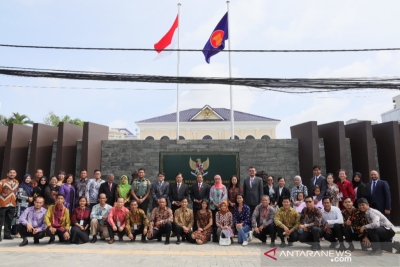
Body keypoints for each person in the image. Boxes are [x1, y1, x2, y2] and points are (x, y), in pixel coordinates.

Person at [0, 168, 19, 241]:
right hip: (3, 203)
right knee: (0, 220)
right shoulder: (2, 182)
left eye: (14, 173)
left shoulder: (16, 182)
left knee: (9, 220)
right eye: (10, 173)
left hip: (12, 204)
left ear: (16, 174)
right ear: (7, 174)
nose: (12, 174)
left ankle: (7, 235)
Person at [209, 174, 228, 242]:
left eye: (218, 179)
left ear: (220, 179)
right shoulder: (212, 187)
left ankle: (222, 237)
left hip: (221, 207)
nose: (217, 180)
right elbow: (210, 196)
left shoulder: (223, 187)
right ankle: (215, 238)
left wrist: (220, 204)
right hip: (213, 207)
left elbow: (225, 196)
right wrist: (214, 203)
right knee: (214, 222)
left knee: (221, 221)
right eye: (216, 179)